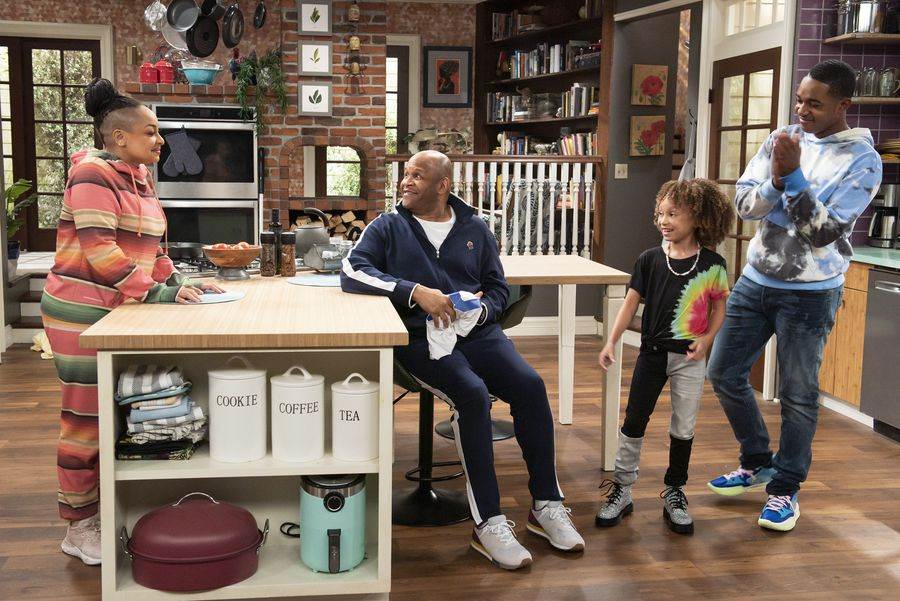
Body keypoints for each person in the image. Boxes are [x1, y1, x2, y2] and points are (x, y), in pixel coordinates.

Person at [341, 150, 584, 570]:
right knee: (472, 395)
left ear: (442, 185)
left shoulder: (475, 227)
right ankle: (488, 523)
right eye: (405, 174)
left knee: (530, 386)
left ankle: (546, 506)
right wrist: (415, 292)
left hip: (477, 333)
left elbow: (497, 287)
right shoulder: (388, 225)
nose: (406, 182)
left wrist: (483, 311)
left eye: (417, 176)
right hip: (421, 340)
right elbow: (351, 271)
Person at [41, 78, 221, 565]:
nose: (161, 140)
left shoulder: (140, 178)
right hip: (81, 310)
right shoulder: (91, 175)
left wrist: (181, 281)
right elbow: (100, 252)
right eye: (151, 132)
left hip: (120, 309)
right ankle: (78, 525)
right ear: (119, 137)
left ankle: (109, 505)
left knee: (115, 409)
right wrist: (160, 292)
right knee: (85, 419)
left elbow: (153, 252)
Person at [706, 59, 882, 531]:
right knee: (722, 372)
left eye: (815, 104)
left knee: (798, 395)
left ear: (843, 105)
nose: (802, 111)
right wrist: (779, 180)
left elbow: (821, 232)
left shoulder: (863, 161)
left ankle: (785, 488)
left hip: (810, 295)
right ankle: (757, 460)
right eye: (800, 100)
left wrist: (794, 178)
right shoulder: (782, 138)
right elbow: (744, 204)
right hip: (755, 282)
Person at [595, 179, 733, 535]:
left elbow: (720, 309)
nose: (663, 221)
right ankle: (622, 489)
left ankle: (675, 491)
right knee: (634, 421)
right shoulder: (650, 260)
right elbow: (630, 305)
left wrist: (707, 340)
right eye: (660, 214)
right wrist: (611, 341)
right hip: (652, 354)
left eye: (672, 214)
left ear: (697, 217)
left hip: (690, 358)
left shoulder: (713, 265)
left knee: (683, 427)